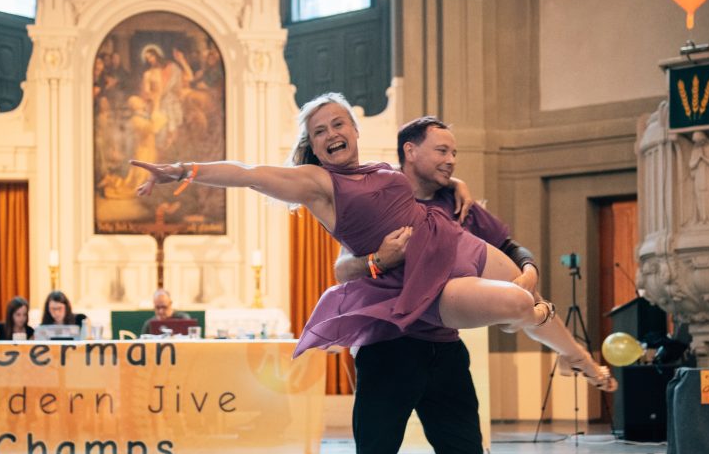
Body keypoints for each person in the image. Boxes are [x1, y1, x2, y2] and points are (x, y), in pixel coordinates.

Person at [320, 117, 611, 454]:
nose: (451, 160)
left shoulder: (460, 204)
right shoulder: (381, 194)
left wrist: (528, 271)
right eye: (442, 151)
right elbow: (343, 266)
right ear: (410, 151)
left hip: (444, 352)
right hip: (388, 351)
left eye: (453, 152)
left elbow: (511, 247)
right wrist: (378, 259)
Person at [131, 92, 613, 381]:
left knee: (534, 299)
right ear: (313, 145)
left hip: (455, 242)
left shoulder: (381, 166)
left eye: (338, 124)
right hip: (426, 280)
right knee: (519, 304)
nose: (331, 134)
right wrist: (182, 170)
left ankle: (580, 361)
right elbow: (248, 174)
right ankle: (533, 327)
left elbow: (417, 182)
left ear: (355, 129)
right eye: (320, 132)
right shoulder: (319, 184)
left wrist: (457, 182)